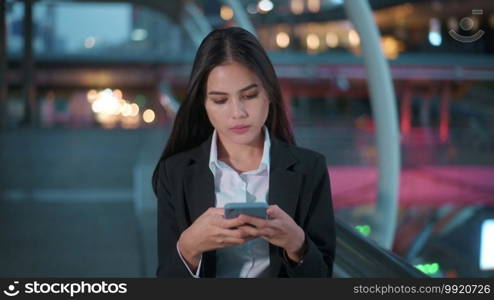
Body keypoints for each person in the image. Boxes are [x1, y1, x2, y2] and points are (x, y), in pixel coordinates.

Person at [152, 27, 335, 278]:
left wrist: (297, 243)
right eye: (220, 100)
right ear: (203, 104)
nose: (237, 112)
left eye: (249, 95)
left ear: (269, 94)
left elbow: (323, 276)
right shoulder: (175, 173)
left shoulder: (309, 168)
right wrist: (189, 247)